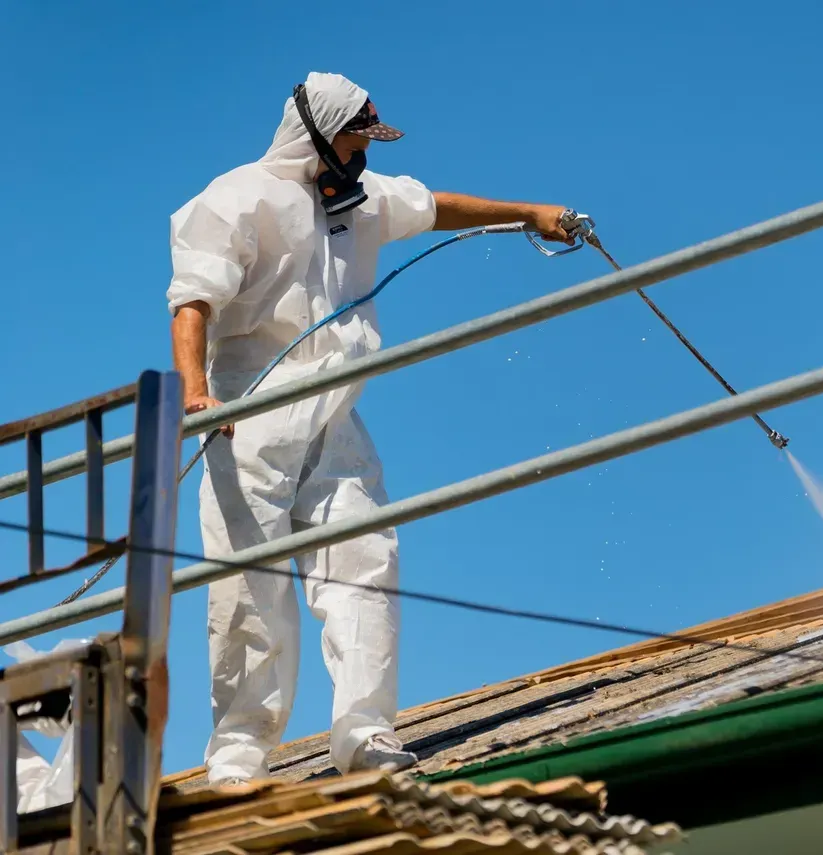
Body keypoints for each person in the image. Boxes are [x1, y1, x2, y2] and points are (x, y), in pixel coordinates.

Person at [166, 71, 574, 785]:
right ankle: (240, 748)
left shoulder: (363, 201)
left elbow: (440, 206)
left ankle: (364, 730)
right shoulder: (237, 198)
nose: (367, 151)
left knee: (365, 559)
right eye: (359, 136)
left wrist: (529, 212)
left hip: (334, 411)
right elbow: (193, 299)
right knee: (247, 580)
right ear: (319, 135)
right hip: (248, 414)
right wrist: (197, 395)